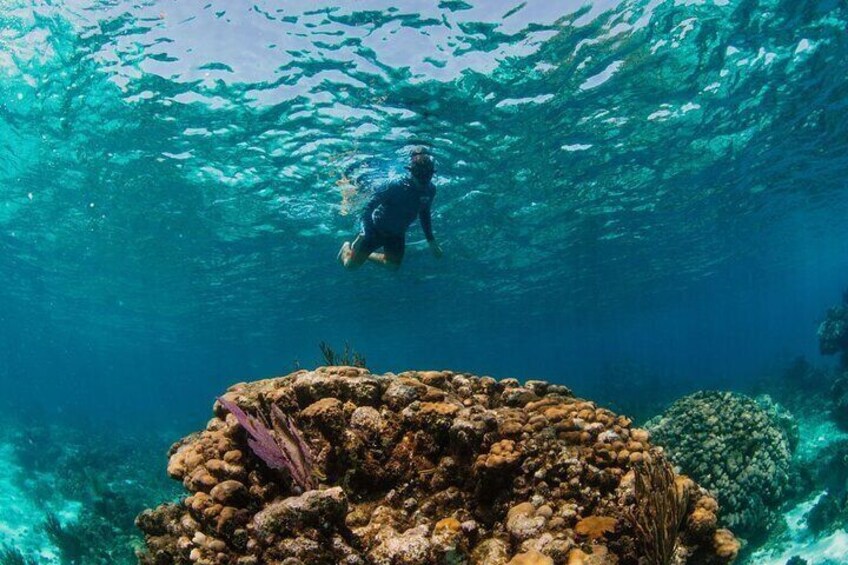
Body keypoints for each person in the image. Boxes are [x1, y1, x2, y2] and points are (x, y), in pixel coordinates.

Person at [338, 148, 443, 270]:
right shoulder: (394, 185)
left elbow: (424, 213)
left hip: (397, 234)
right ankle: (346, 248)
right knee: (350, 266)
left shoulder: (430, 190)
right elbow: (368, 208)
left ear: (432, 174)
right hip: (375, 230)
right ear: (411, 172)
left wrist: (431, 241)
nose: (423, 181)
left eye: (428, 176)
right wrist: (364, 232)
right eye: (420, 176)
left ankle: (364, 255)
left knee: (392, 266)